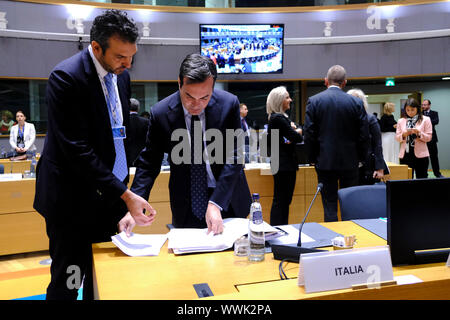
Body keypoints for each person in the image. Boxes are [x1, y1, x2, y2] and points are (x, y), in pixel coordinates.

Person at [33, 10, 155, 300]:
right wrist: (126, 194)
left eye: (131, 56)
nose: (128, 64)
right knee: (70, 278)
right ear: (96, 47)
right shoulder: (66, 78)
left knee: (104, 279)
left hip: (108, 197)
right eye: (120, 57)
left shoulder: (121, 78)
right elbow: (75, 149)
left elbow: (117, 135)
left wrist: (122, 194)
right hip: (70, 200)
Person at [129, 53, 251, 234]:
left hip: (227, 197)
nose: (196, 105)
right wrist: (135, 204)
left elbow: (235, 155)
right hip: (187, 202)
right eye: (189, 96)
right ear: (179, 82)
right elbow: (149, 162)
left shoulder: (228, 104)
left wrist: (216, 202)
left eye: (205, 98)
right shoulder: (161, 112)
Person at [304, 65, 369, 222]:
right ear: (344, 83)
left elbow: (309, 133)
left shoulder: (314, 101)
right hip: (351, 162)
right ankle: (351, 242)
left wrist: (311, 157)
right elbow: (364, 135)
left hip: (325, 162)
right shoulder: (356, 103)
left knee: (329, 205)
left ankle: (332, 240)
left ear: (326, 81)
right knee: (350, 204)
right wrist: (361, 159)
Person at [266, 86, 303, 225]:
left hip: (283, 163)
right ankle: (278, 228)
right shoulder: (278, 118)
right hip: (284, 164)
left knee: (284, 201)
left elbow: (286, 138)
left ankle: (282, 228)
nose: (290, 100)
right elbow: (296, 138)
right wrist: (297, 130)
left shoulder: (278, 118)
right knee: (281, 200)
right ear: (279, 100)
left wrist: (293, 130)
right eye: (287, 97)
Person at [347, 89, 387, 185]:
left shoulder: (370, 119)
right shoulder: (344, 119)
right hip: (348, 168)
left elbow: (377, 144)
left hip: (367, 167)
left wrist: (380, 168)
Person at [396, 98, 432, 179]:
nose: (410, 112)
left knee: (422, 179)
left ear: (417, 109)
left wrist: (419, 133)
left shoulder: (426, 119)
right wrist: (404, 135)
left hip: (421, 155)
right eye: (407, 110)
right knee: (406, 180)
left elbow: (429, 138)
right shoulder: (401, 121)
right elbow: (397, 138)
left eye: (412, 110)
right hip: (405, 155)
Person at [422, 99, 443, 178]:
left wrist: (426, 121)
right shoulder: (420, 114)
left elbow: (436, 121)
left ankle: (437, 173)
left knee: (434, 157)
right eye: (422, 105)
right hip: (422, 139)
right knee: (424, 158)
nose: (423, 106)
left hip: (432, 139)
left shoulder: (434, 113)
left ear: (429, 105)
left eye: (425, 105)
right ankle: (424, 174)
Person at [126, 98, 149, 167]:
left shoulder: (123, 122)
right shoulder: (146, 122)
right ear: (138, 108)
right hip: (142, 157)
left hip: (127, 158)